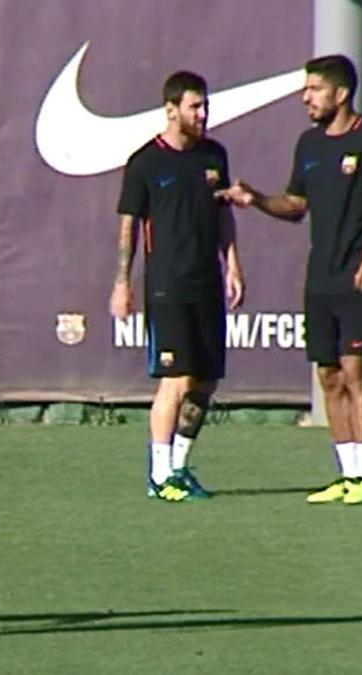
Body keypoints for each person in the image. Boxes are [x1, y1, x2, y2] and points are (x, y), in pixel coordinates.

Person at [219, 54, 362, 505]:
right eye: (305, 90)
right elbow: (295, 205)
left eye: (314, 90)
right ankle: (346, 476)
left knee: (355, 369)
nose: (305, 98)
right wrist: (258, 199)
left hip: (361, 276)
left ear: (340, 93)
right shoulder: (308, 144)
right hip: (320, 278)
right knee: (328, 374)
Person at [111, 71, 245, 503]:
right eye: (194, 107)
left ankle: (180, 469)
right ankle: (158, 475)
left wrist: (233, 266)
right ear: (171, 111)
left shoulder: (214, 156)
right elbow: (128, 227)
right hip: (168, 287)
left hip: (207, 284)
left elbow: (224, 214)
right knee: (176, 380)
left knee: (205, 384)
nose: (203, 114)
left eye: (205, 106)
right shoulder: (146, 162)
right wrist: (122, 283)